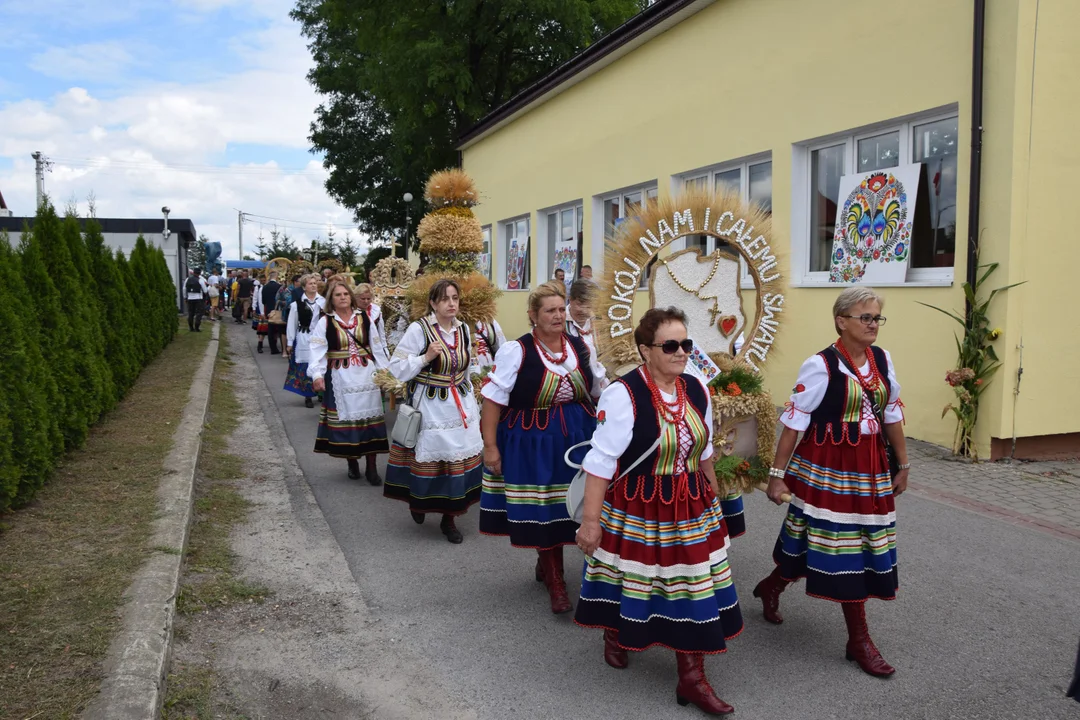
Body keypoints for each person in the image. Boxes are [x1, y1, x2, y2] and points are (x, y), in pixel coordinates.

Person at [574, 307, 742, 716]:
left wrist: (715, 498)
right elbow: (600, 462)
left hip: (689, 501)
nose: (681, 352)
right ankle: (615, 632)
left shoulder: (698, 387)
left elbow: (704, 451)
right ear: (645, 350)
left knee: (691, 583)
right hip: (639, 502)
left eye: (686, 343)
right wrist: (591, 522)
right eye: (671, 345)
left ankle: (691, 676)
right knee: (632, 574)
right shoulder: (623, 394)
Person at [756, 286, 907, 679]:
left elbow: (891, 413)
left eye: (877, 318)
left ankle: (772, 586)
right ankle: (859, 640)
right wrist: (776, 476)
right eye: (865, 317)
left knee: (831, 543)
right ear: (842, 321)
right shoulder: (820, 366)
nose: (873, 324)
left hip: (870, 469)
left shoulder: (882, 359)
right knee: (837, 547)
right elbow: (793, 423)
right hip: (829, 470)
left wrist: (903, 464)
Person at [480, 281, 605, 614]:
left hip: (578, 435)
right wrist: (490, 447)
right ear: (533, 315)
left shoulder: (580, 347)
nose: (558, 315)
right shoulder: (516, 351)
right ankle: (556, 579)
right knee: (547, 510)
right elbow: (492, 401)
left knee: (580, 504)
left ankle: (551, 565)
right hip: (532, 439)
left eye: (561, 309)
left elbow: (597, 390)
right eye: (550, 310)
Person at [386, 279, 482, 544]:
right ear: (433, 303)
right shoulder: (420, 330)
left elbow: (468, 364)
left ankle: (448, 519)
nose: (451, 304)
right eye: (445, 299)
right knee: (431, 461)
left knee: (456, 461)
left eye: (455, 298)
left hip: (460, 404)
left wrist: (478, 383)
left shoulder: (463, 330)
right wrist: (425, 358)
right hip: (431, 405)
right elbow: (397, 366)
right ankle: (418, 504)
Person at [308, 279, 389, 484]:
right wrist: (317, 375)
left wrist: (385, 373)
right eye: (338, 295)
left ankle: (372, 467)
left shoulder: (365, 318)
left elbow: (377, 347)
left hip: (366, 376)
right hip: (340, 377)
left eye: (345, 294)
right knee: (349, 423)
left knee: (370, 422)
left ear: (350, 297)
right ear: (331, 300)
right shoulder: (325, 322)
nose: (342, 297)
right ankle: (352, 460)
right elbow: (316, 350)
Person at [286, 274, 327, 408]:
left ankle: (321, 392)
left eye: (315, 283)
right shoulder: (296, 305)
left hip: (320, 338)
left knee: (321, 364)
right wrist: (290, 343)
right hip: (304, 337)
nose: (314, 285)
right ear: (304, 287)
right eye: (310, 283)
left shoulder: (324, 302)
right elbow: (292, 324)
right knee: (306, 366)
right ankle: (308, 395)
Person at [565, 279, 603, 371]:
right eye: (580, 304)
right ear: (570, 300)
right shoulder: (559, 322)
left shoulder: (599, 322)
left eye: (589, 306)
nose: (584, 310)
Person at [354, 283, 390, 365]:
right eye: (362, 299)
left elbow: (381, 334)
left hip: (374, 347)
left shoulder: (376, 311)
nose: (366, 301)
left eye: (368, 299)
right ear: (356, 298)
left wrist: (385, 351)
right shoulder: (350, 311)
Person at [255, 271, 283, 354]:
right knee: (278, 329)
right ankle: (276, 347)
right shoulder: (279, 287)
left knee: (270, 329)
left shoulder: (264, 287)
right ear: (276, 277)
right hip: (277, 310)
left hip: (268, 310)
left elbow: (263, 301)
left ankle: (272, 348)